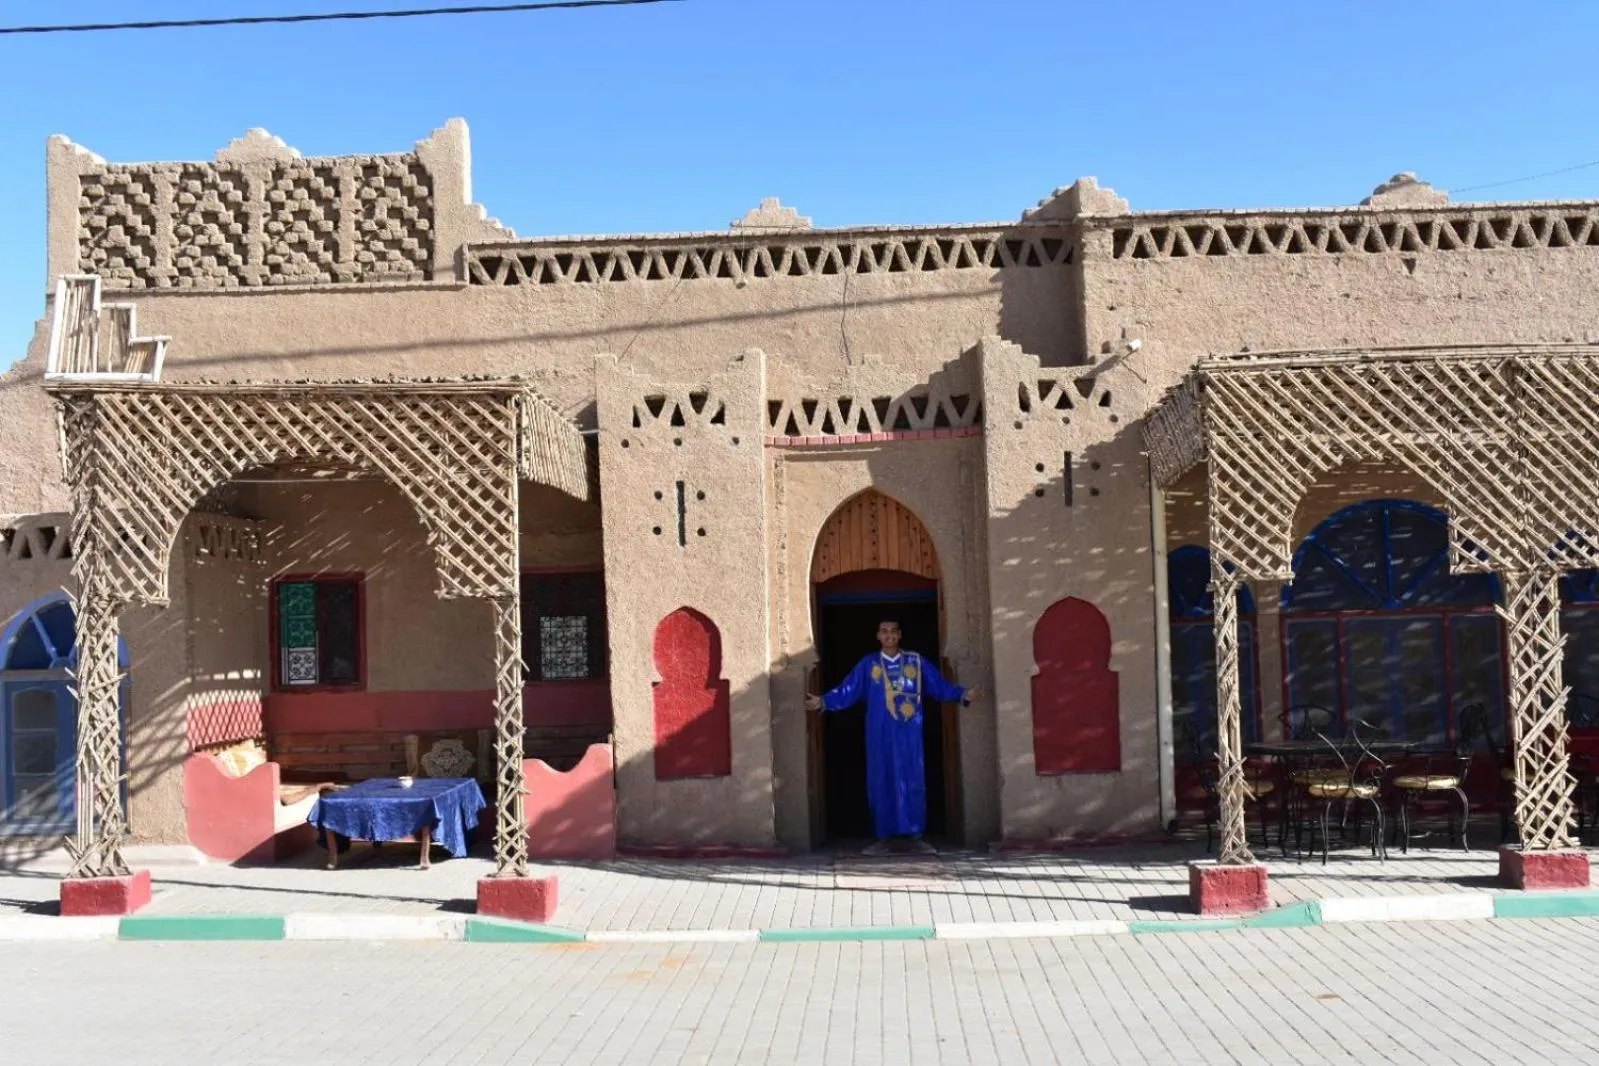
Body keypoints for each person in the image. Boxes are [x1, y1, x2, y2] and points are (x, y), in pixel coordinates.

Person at [804, 620, 981, 856]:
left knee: (913, 779)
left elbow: (938, 685)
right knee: (881, 780)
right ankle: (884, 838)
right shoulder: (869, 664)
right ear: (878, 636)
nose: (889, 636)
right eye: (884, 632)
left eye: (893, 632)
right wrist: (824, 700)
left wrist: (963, 693)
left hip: (910, 735)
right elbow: (850, 688)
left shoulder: (915, 662)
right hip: (880, 734)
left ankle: (915, 836)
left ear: (899, 635)